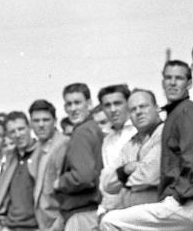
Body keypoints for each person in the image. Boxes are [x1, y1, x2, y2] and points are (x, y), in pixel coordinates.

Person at [101, 64, 193, 231]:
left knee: (110, 221)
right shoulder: (133, 140)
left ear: (189, 83)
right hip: (175, 204)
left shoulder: (187, 112)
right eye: (168, 78)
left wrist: (178, 196)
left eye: (179, 78)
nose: (172, 83)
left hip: (187, 203)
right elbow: (107, 184)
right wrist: (128, 170)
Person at [98, 90, 164, 216]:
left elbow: (149, 176)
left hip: (158, 212)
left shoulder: (165, 134)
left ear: (157, 108)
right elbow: (108, 184)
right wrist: (126, 170)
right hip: (132, 214)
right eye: (133, 109)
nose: (138, 112)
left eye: (143, 106)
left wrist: (122, 180)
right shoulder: (130, 144)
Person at [53, 83, 103, 231]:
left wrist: (59, 182)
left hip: (82, 212)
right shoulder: (94, 128)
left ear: (89, 103)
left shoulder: (82, 132)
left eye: (77, 102)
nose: (73, 108)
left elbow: (84, 176)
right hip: (93, 210)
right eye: (69, 104)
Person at [0, 112, 39, 231]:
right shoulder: (9, 159)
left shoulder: (42, 154)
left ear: (29, 127)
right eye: (12, 131)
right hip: (10, 226)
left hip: (37, 226)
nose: (18, 135)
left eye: (21, 129)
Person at [28, 100, 68, 231]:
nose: (41, 125)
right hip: (43, 223)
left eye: (46, 120)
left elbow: (67, 191)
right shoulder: (37, 149)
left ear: (55, 121)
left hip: (60, 223)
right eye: (36, 120)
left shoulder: (63, 145)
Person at [95, 85, 134, 216]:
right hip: (113, 210)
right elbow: (107, 179)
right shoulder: (107, 141)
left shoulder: (138, 131)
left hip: (137, 206)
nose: (113, 109)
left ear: (128, 104)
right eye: (107, 105)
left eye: (117, 103)